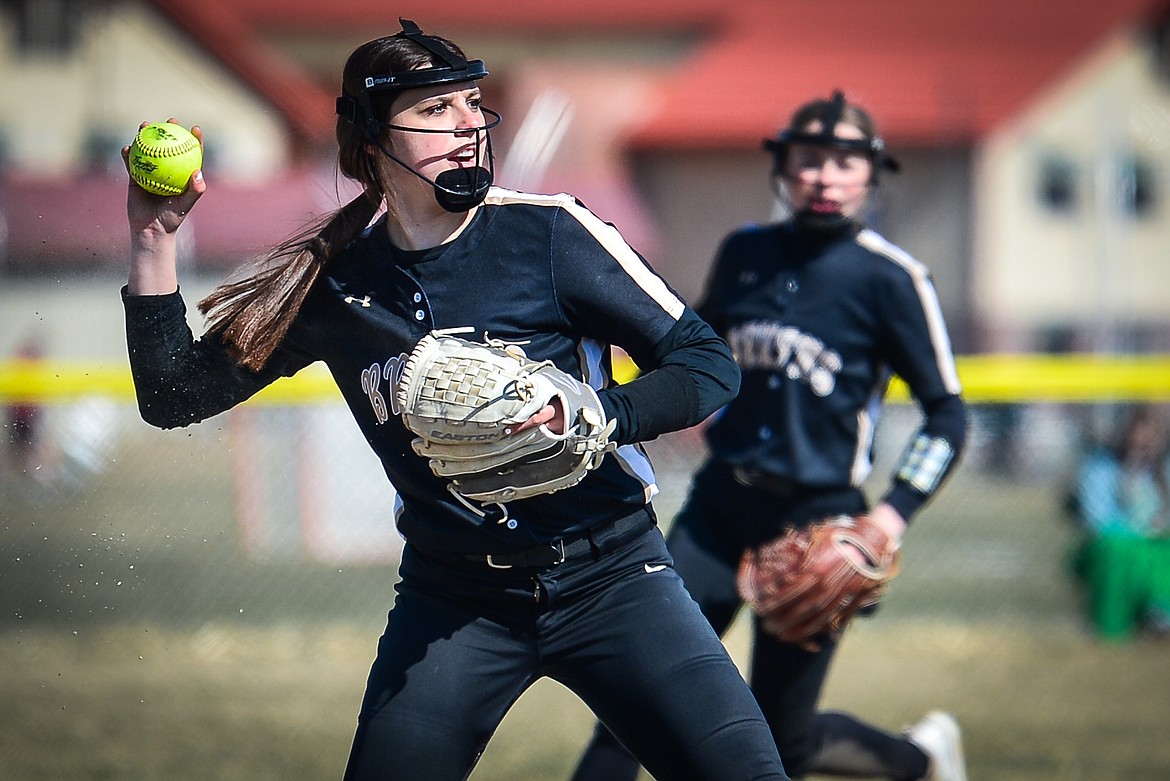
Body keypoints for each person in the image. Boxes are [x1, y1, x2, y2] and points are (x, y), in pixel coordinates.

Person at [121, 19, 791, 781]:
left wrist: (603, 413)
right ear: (373, 139)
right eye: (436, 110)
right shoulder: (335, 287)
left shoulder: (549, 235)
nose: (470, 123)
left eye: (472, 102)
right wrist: (153, 239)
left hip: (614, 578)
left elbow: (707, 362)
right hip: (456, 597)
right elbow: (173, 395)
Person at [571, 92, 969, 781]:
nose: (824, 175)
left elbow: (948, 415)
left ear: (872, 174)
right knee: (635, 700)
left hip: (816, 524)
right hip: (719, 511)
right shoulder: (746, 253)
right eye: (808, 158)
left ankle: (921, 757)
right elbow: (687, 350)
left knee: (784, 742)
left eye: (844, 161)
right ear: (784, 168)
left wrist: (890, 514)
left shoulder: (892, 279)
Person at [1070, 405, 1170, 640]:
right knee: (1118, 549)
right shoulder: (1101, 468)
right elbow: (1098, 523)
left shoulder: (1164, 471)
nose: (1144, 441)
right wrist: (1128, 482)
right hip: (1113, 545)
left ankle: (1158, 614)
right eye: (1138, 432)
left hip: (1154, 546)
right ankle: (1118, 623)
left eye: (1151, 435)